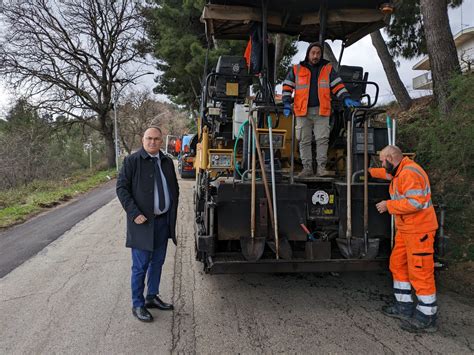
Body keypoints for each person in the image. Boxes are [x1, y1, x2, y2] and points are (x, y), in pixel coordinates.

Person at [369, 145, 439, 333]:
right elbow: (387, 175)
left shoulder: (409, 174)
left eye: (383, 161)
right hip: (406, 230)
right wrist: (368, 172)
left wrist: (388, 205)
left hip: (419, 231)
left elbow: (416, 202)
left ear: (392, 158)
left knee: (420, 271)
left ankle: (427, 316)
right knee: (398, 265)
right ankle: (404, 306)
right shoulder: (400, 170)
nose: (383, 164)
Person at [116, 126, 179, 323]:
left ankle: (151, 297)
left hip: (163, 223)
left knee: (157, 262)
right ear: (143, 140)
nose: (152, 142)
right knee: (140, 266)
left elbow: (172, 188)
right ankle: (138, 304)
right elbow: (121, 188)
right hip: (143, 224)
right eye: (149, 138)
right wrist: (134, 213)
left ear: (162, 141)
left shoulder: (167, 161)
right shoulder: (132, 161)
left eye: (156, 139)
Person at [282, 42, 360, 177]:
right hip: (302, 111)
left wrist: (346, 97)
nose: (315, 56)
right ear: (308, 54)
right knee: (304, 140)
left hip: (321, 111)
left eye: (318, 53)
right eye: (313, 53)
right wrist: (286, 103)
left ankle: (321, 169)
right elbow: (287, 87)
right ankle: (307, 169)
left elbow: (337, 86)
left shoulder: (328, 69)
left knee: (322, 140)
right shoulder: (296, 69)